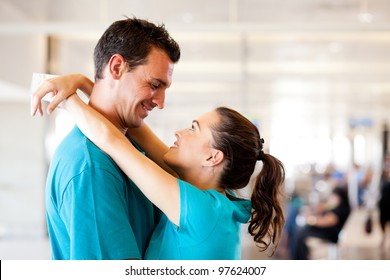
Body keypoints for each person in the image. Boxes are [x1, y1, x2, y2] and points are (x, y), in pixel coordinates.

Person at [32, 85, 286, 259]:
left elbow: (110, 139)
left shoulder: (199, 210)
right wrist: (86, 84)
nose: (179, 132)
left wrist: (66, 96)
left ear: (212, 157)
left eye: (193, 129)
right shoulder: (213, 198)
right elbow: (138, 132)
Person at [30, 16, 181, 259]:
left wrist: (82, 82)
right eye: (154, 84)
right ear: (117, 67)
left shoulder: (129, 146)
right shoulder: (92, 167)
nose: (160, 102)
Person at [291, 186, 350, 260]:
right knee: (299, 231)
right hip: (325, 230)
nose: (332, 198)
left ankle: (301, 257)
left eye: (334, 197)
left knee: (300, 233)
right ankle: (302, 255)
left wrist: (311, 220)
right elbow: (321, 210)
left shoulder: (341, 209)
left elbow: (326, 221)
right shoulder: (334, 206)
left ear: (340, 197)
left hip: (330, 234)